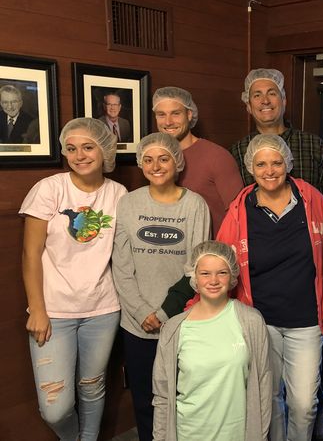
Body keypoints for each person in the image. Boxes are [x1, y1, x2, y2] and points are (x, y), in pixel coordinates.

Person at [215, 134, 323, 441]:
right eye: (261, 164)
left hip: (306, 321)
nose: (269, 171)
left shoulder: (310, 198)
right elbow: (222, 259)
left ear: (287, 164)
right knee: (268, 399)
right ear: (250, 168)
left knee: (304, 404)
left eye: (276, 163)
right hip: (260, 321)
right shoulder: (240, 208)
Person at [20, 118, 126, 440]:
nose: (79, 155)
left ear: (104, 150)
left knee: (92, 389)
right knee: (55, 407)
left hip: (103, 310)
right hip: (53, 312)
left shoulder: (119, 194)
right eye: (71, 148)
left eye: (88, 147)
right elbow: (30, 254)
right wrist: (37, 309)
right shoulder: (49, 189)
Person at [111, 133, 211, 441]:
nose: (156, 166)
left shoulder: (195, 205)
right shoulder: (128, 203)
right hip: (136, 323)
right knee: (145, 400)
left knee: (183, 397)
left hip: (181, 321)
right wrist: (142, 312)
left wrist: (165, 312)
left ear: (177, 163)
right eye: (148, 159)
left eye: (164, 158)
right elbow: (121, 266)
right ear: (141, 164)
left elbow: (197, 268)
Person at [152, 240, 272, 441]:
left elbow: (264, 385)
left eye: (222, 272)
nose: (213, 280)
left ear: (232, 275)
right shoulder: (173, 330)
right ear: (194, 276)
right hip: (188, 434)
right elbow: (162, 396)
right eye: (205, 273)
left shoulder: (251, 321)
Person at [230, 68, 323, 203]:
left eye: (272, 93)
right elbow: (236, 204)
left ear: (284, 100)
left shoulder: (314, 145)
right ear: (248, 106)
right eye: (257, 95)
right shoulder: (238, 151)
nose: (265, 101)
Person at [152, 86, 243, 232]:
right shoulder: (154, 161)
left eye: (175, 113)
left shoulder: (217, 157)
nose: (168, 122)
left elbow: (240, 214)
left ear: (189, 114)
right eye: (161, 114)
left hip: (214, 244)